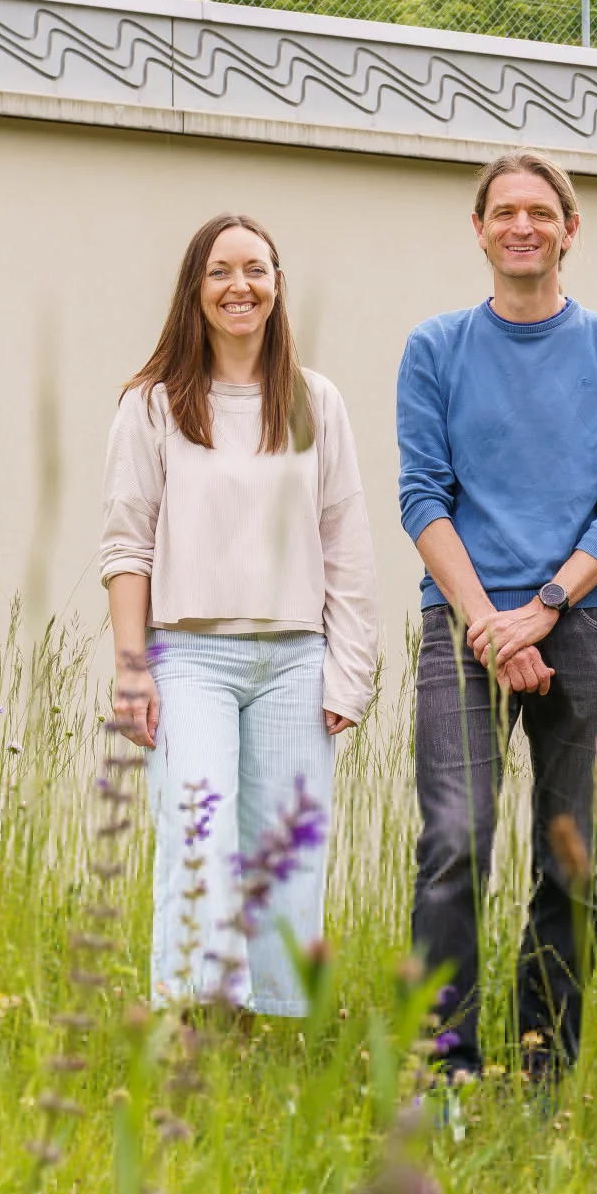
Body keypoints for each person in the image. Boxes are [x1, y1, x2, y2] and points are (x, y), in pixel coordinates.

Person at [399, 151, 597, 1080]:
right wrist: (487, 624)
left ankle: (546, 1066)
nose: (522, 226)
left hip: (583, 622)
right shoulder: (435, 348)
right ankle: (442, 1066)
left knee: (569, 856)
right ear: (479, 230)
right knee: (455, 841)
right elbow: (422, 500)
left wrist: (544, 609)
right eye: (503, 211)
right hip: (461, 621)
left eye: (540, 212)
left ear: (568, 230)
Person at [103, 211, 378, 1016]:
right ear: (195, 289)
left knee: (284, 857)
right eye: (221, 271)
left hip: (296, 661)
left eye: (255, 270)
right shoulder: (154, 405)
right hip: (188, 660)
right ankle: (192, 1020)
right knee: (201, 844)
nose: (240, 286)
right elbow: (126, 548)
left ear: (277, 285)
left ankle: (274, 1032)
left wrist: (346, 672)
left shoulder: (308, 402)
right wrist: (132, 675)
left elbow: (345, 541)